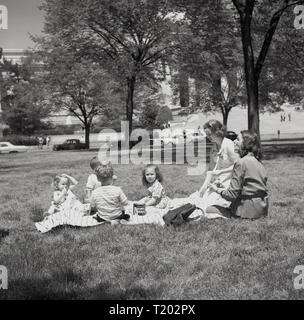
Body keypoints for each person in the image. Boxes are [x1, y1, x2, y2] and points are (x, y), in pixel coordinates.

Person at [206, 131, 268, 219]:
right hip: (262, 209)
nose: (234, 141)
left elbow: (231, 195)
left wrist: (216, 189)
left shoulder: (241, 163)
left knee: (209, 209)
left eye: (238, 139)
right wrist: (224, 188)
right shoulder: (258, 162)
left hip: (247, 211)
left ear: (246, 143)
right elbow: (251, 188)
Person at [198, 120, 239, 212]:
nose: (208, 137)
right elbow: (211, 168)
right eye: (206, 134)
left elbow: (239, 165)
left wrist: (221, 172)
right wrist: (205, 185)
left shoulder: (228, 144)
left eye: (209, 134)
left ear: (217, 132)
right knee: (203, 200)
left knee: (213, 203)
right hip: (218, 181)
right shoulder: (214, 147)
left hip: (231, 180)